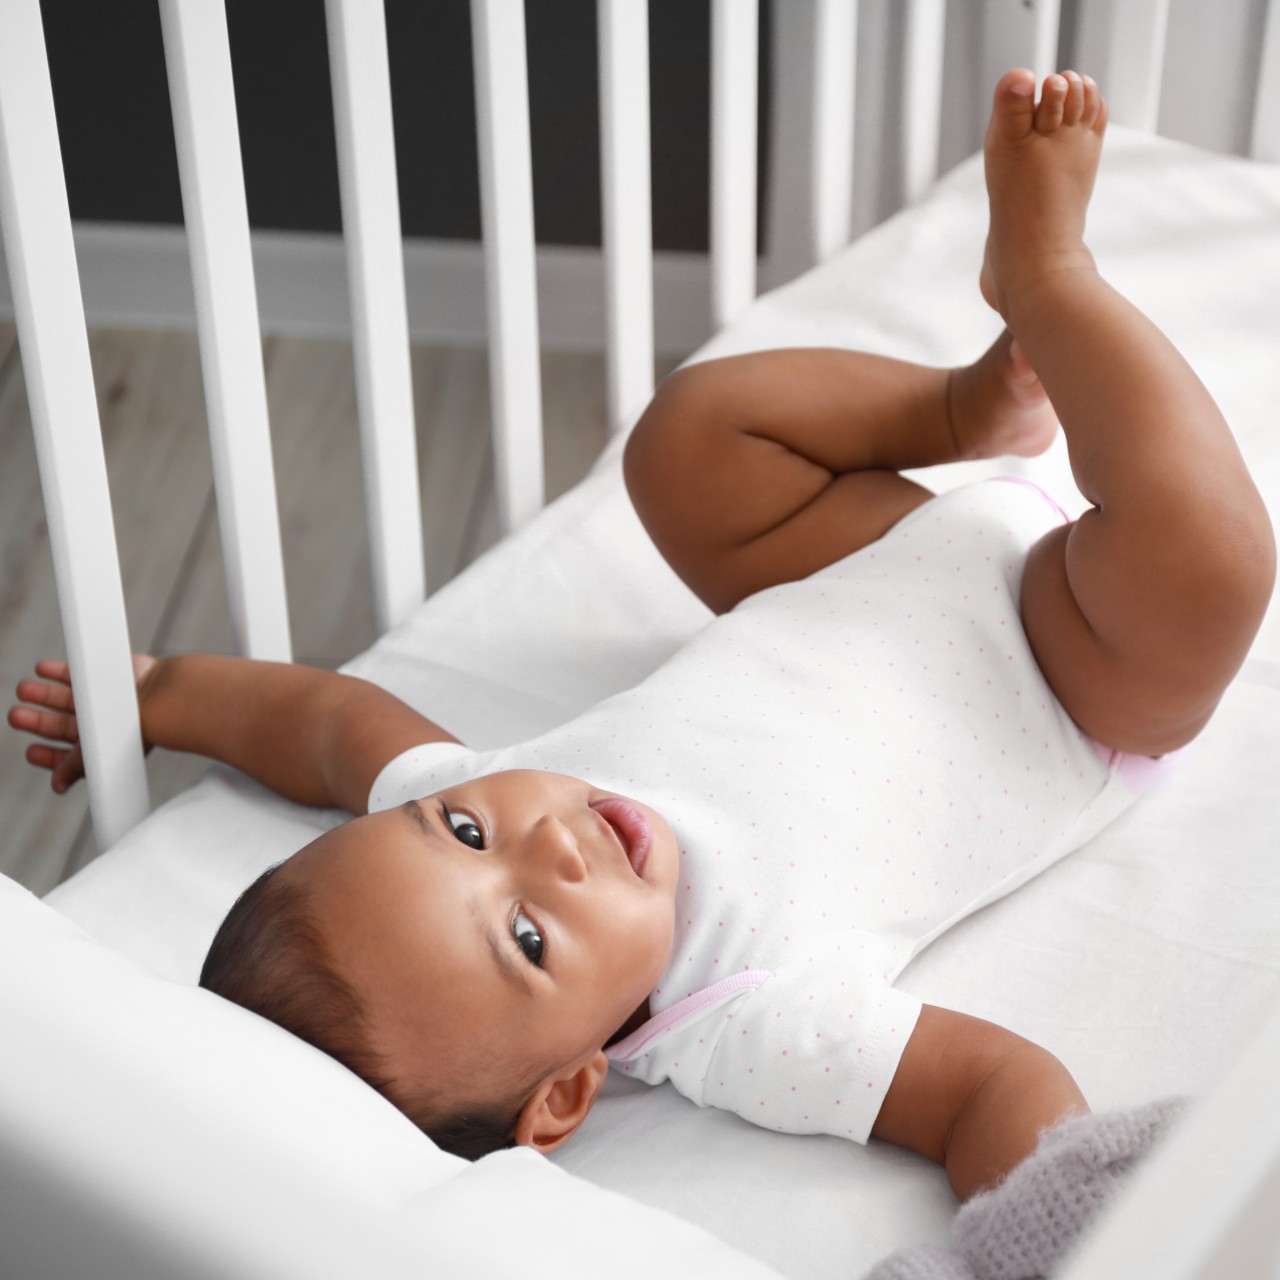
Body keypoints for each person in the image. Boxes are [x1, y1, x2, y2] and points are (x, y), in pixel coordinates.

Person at [10, 67, 1274, 1256]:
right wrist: (1033, 1238)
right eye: (527, 936)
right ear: (566, 1091)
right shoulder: (749, 1016)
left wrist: (163, 692)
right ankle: (1048, 276)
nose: (541, 847)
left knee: (685, 440)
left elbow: (332, 725)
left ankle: (962, 410)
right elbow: (989, 1085)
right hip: (1064, 669)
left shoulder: (496, 785)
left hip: (861, 566)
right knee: (1209, 563)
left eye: (458, 829)